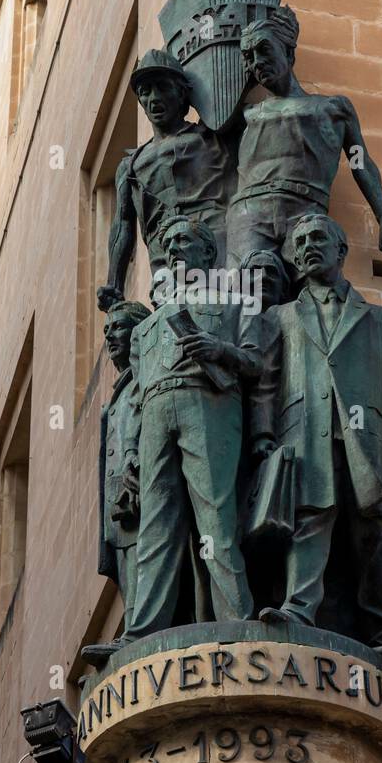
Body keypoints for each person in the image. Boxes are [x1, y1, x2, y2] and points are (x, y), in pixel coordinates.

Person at [251, 213, 382, 646]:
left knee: (373, 533)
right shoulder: (280, 317)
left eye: (317, 238)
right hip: (304, 434)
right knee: (311, 519)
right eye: (300, 242)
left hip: (364, 441)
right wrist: (263, 438)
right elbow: (266, 383)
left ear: (341, 250)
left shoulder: (379, 319)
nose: (307, 248)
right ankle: (299, 609)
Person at [118, 216, 261, 641]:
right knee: (156, 524)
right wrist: (130, 450)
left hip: (208, 403)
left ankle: (237, 619)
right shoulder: (145, 328)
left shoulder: (236, 302)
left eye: (183, 240)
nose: (173, 249)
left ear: (208, 252)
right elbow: (135, 396)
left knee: (215, 514)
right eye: (168, 243)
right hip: (156, 413)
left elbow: (256, 360)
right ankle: (141, 630)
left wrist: (219, 349)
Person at [227, 7, 382, 272]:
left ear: (289, 53)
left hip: (305, 212)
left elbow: (359, 162)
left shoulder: (333, 109)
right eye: (249, 57)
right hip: (249, 214)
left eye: (264, 50)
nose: (257, 62)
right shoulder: (245, 115)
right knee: (247, 288)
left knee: (314, 286)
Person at [96, 49, 235, 310]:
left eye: (162, 87)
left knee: (222, 311)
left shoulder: (211, 138)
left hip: (214, 241)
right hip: (165, 253)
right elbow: (123, 224)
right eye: (145, 91)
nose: (154, 98)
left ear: (182, 93)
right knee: (174, 322)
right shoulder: (130, 166)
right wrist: (114, 283)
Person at [82, 300, 151, 666]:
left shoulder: (144, 378)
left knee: (143, 560)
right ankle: (133, 629)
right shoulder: (118, 392)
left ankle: (138, 631)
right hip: (118, 501)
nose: (110, 338)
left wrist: (136, 465)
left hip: (138, 490)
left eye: (119, 328)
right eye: (106, 331)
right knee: (127, 567)